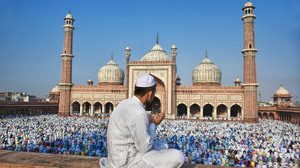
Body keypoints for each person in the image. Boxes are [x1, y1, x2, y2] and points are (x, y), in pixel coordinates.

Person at [105, 74, 184, 168]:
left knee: (163, 144)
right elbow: (144, 148)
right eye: (154, 93)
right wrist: (153, 124)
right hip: (128, 163)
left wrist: (148, 121)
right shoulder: (139, 112)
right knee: (178, 156)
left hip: (117, 159)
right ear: (150, 94)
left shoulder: (124, 103)